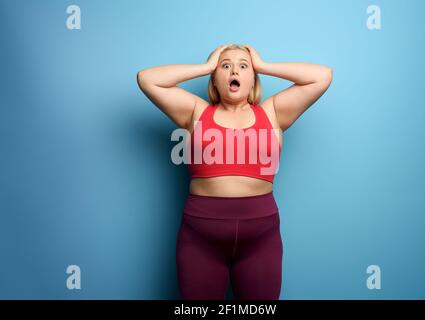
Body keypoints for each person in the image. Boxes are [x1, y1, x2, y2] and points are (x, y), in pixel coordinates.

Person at [137, 44, 333, 299]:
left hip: (261, 238)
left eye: (243, 66)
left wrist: (263, 65)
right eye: (225, 65)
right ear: (215, 80)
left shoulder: (273, 112)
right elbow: (147, 79)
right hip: (200, 237)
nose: (234, 71)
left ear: (253, 80)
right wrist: (205, 66)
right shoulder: (195, 111)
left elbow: (322, 76)